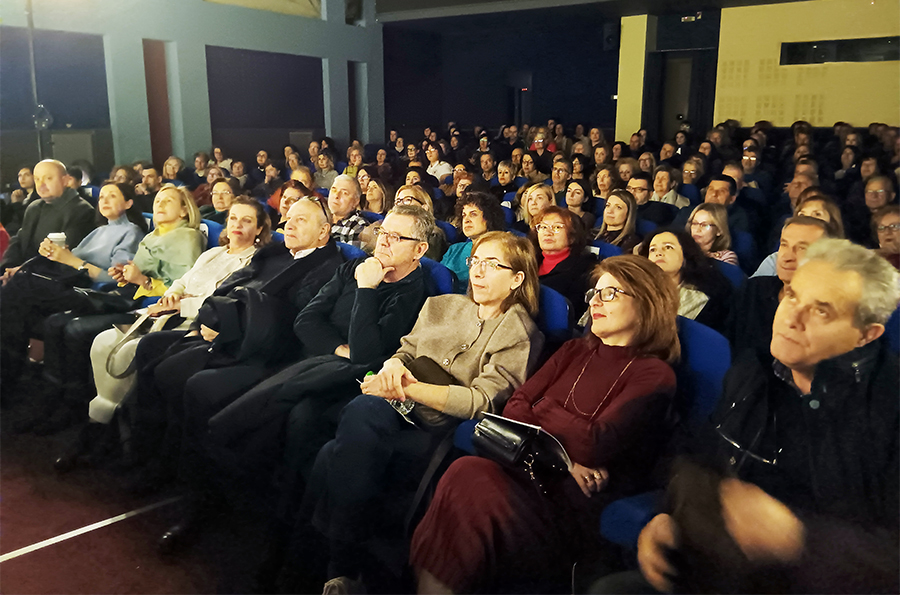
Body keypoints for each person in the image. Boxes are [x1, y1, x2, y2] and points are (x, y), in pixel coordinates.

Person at [625, 239, 899, 595]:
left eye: (822, 311)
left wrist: (799, 538)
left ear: (866, 334)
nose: (791, 318)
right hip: (718, 570)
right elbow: (700, 454)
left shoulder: (889, 406)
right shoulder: (753, 370)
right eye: (793, 295)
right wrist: (666, 514)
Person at [411, 255, 680, 594]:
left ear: (647, 304)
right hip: (525, 470)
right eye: (594, 292)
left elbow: (595, 443)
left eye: (610, 293)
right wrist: (567, 458)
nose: (595, 301)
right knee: (465, 471)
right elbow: (515, 406)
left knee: (473, 483)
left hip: (567, 508)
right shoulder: (574, 350)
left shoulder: (654, 374)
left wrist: (544, 407)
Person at [294, 231, 545, 593]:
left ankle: (326, 562)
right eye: (475, 261)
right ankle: (337, 567)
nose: (478, 271)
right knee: (339, 442)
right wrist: (393, 367)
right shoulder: (441, 305)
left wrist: (406, 388)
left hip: (439, 429)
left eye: (493, 265)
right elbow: (405, 351)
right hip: (395, 407)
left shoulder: (519, 334)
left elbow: (483, 401)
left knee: (341, 443)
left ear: (517, 278)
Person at [123, 196, 343, 489]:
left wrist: (227, 331)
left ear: (323, 231)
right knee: (150, 347)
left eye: (300, 220)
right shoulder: (275, 253)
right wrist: (207, 321)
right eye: (289, 218)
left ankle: (177, 472)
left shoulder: (329, 269)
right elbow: (229, 288)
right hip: (228, 331)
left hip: (265, 352)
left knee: (180, 376)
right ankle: (144, 450)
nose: (289, 225)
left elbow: (293, 324)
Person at [16, 185, 204, 434]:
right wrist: (124, 275)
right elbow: (138, 276)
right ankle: (54, 398)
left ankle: (74, 405)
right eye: (157, 200)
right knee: (55, 322)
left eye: (167, 201)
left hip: (149, 311)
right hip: (128, 298)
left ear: (183, 211)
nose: (159, 204)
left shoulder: (187, 238)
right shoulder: (153, 236)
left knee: (74, 328)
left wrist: (141, 280)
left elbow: (182, 289)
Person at [0, 181, 146, 401]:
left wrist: (71, 260)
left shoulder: (131, 232)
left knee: (16, 292)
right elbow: (69, 259)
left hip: (94, 293)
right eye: (101, 197)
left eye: (112, 196)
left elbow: (116, 280)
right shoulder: (99, 231)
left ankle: (9, 377)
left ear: (128, 203)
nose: (104, 201)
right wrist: (51, 255)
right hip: (70, 285)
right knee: (14, 293)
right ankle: (14, 375)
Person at [727, 217, 830, 357]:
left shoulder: (830, 313)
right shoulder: (753, 289)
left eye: (802, 248)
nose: (787, 257)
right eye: (784, 245)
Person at [1, 160, 96, 280]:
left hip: (56, 279)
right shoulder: (34, 207)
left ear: (65, 180)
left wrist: (22, 271)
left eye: (48, 178)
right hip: (25, 274)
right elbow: (19, 240)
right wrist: (8, 268)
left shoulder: (82, 210)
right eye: (37, 179)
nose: (41, 184)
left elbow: (64, 256)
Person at [639, 228, 732, 332]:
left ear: (685, 257)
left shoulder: (700, 299)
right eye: (652, 250)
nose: (658, 253)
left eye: (668, 247)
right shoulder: (639, 289)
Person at [532, 206, 596, 312]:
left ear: (572, 237)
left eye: (557, 227)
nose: (548, 232)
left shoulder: (583, 269)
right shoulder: (529, 260)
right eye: (543, 227)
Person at [441, 192, 506, 286]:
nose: (466, 220)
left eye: (473, 214)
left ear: (489, 218)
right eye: (464, 215)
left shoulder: (503, 251)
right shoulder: (454, 249)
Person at [327, 175, 368, 244]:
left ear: (355, 201)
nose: (336, 195)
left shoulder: (358, 226)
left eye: (344, 193)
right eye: (334, 190)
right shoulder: (318, 216)